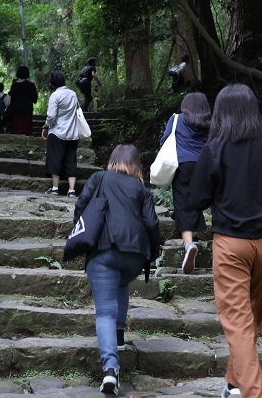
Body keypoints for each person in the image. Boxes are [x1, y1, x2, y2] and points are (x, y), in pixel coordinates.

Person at [190, 84, 262, 398]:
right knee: (249, 319)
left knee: (239, 324)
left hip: (231, 246)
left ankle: (253, 393)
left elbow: (197, 200)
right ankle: (233, 384)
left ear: (220, 113)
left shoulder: (214, 148)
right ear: (253, 109)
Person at [73, 144, 160, 395]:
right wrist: (151, 252)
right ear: (136, 166)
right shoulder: (141, 189)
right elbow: (152, 223)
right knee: (120, 283)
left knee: (104, 312)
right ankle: (119, 337)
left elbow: (81, 207)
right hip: (133, 256)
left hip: (103, 251)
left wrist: (83, 235)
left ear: (112, 161)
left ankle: (111, 371)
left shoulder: (98, 178)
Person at [159, 92, 211, 274]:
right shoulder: (211, 122)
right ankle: (195, 237)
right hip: (205, 164)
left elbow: (165, 140)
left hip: (183, 163)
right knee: (197, 200)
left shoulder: (176, 119)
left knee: (183, 202)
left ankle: (189, 244)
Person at [42, 71, 81, 197]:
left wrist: (46, 127)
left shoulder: (55, 95)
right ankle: (71, 190)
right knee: (71, 159)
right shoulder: (73, 94)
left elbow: (51, 116)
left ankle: (55, 188)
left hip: (57, 132)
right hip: (72, 133)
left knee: (55, 158)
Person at [7, 66, 38, 136]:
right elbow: (34, 99)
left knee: (17, 129)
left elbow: (12, 99)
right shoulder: (31, 85)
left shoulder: (14, 85)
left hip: (16, 112)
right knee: (26, 130)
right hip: (27, 111)